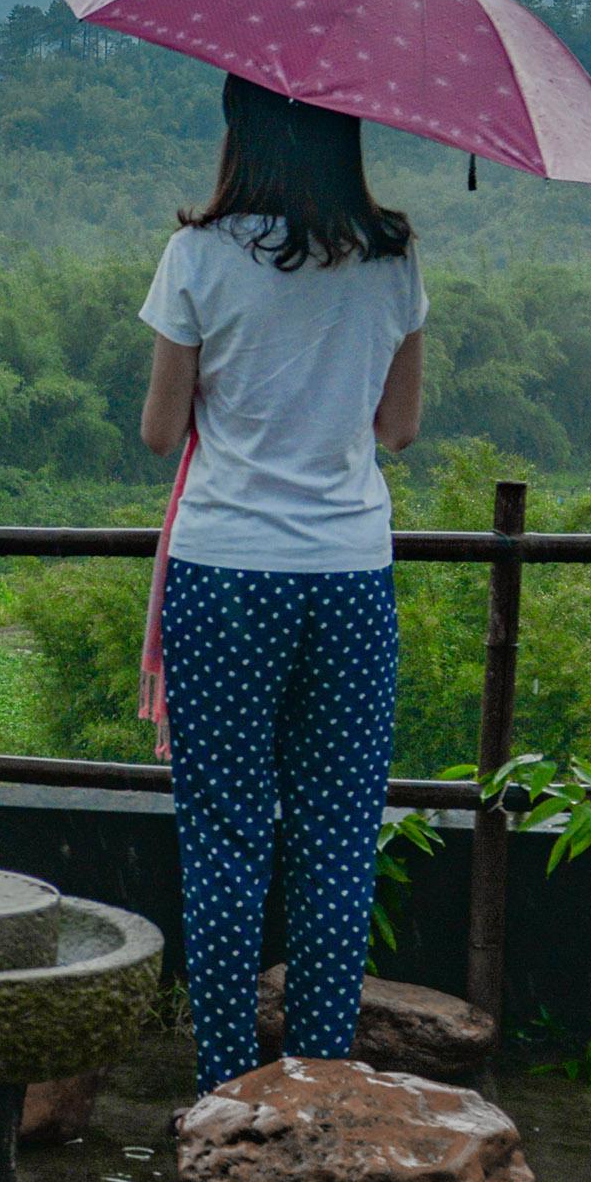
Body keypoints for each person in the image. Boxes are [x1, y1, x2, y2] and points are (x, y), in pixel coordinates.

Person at [137, 77, 425, 1096]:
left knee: (225, 836)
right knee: (339, 835)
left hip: (228, 574)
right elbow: (398, 428)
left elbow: (162, 430)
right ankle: (320, 1084)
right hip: (349, 573)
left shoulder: (198, 257)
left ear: (243, 133)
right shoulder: (391, 258)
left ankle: (225, 1090)